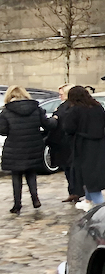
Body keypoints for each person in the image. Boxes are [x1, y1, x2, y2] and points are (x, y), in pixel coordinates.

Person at [0, 86, 50, 214]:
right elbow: (46, 124)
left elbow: (3, 131)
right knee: (31, 172)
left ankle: (17, 204)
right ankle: (35, 199)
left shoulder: (6, 111)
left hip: (15, 146)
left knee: (16, 175)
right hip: (33, 145)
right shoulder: (36, 109)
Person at [61, 85, 105, 208]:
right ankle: (88, 201)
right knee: (92, 176)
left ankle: (101, 208)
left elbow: (68, 128)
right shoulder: (98, 107)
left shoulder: (75, 110)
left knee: (88, 178)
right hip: (100, 146)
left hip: (83, 147)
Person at [47, 84, 79, 202]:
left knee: (71, 168)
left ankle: (75, 192)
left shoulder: (68, 107)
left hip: (67, 140)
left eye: (61, 94)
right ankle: (73, 192)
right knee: (68, 168)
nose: (60, 96)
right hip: (64, 141)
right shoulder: (65, 106)